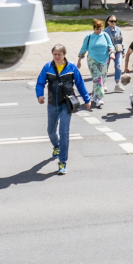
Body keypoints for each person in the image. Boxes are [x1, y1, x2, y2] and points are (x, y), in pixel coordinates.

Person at [36, 44, 91, 175]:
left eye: (59, 54)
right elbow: (40, 82)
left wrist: (87, 99)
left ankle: (62, 162)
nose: (56, 56)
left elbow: (80, 83)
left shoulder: (71, 67)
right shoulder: (47, 67)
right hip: (52, 104)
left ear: (64, 55)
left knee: (64, 132)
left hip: (66, 105)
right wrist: (40, 95)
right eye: (54, 54)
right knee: (50, 131)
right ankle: (56, 146)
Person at [77, 19, 115, 108]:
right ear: (94, 28)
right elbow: (83, 48)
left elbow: (110, 45)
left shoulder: (105, 35)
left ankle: (93, 96)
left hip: (104, 60)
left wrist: (112, 53)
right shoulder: (89, 36)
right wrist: (79, 60)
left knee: (102, 79)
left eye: (100, 29)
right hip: (92, 60)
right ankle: (99, 98)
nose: (98, 31)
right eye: (97, 29)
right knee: (98, 79)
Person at [104, 15, 125, 92]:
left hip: (117, 51)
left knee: (118, 66)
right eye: (111, 21)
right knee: (105, 67)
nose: (113, 23)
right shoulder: (105, 31)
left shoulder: (118, 30)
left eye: (115, 21)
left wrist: (123, 51)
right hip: (108, 52)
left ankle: (117, 84)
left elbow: (121, 41)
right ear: (108, 22)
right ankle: (103, 84)